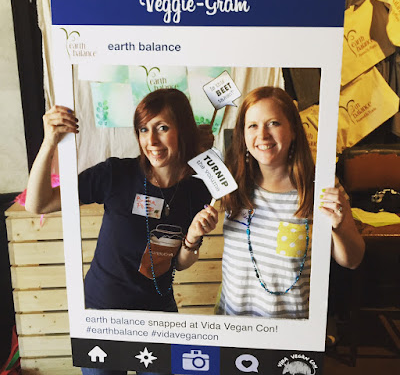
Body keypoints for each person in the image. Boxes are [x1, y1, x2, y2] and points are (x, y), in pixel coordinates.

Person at [25, 88, 218, 375]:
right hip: (103, 316)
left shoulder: (197, 190)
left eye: (162, 128)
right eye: (144, 129)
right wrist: (49, 141)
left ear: (183, 130)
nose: (151, 141)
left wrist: (191, 239)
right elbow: (37, 203)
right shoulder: (116, 174)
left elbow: (179, 263)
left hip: (157, 315)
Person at [217, 86, 365, 318]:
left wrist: (340, 226)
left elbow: (353, 260)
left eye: (273, 123)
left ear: (293, 130)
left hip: (292, 331)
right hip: (234, 328)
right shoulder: (233, 183)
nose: (262, 135)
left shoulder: (320, 188)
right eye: (252, 125)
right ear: (243, 134)